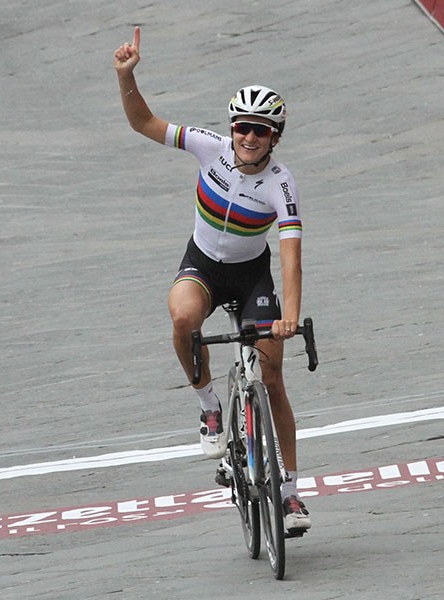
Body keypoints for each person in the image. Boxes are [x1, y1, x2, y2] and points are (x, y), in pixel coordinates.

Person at [113, 27, 311, 533]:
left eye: (261, 130)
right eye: (243, 125)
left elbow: (291, 255)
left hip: (251, 277)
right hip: (202, 264)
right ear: (232, 127)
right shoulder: (208, 146)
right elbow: (142, 123)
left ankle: (288, 492)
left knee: (272, 376)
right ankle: (209, 407)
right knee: (182, 317)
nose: (249, 136)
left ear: (276, 137)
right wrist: (126, 76)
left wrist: (289, 315)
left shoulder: (280, 183)